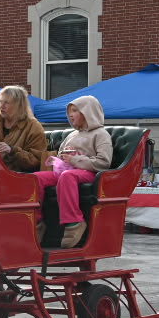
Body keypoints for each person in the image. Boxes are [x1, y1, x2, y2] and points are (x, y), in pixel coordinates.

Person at [32, 94, 111, 249]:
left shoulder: (101, 134)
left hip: (88, 173)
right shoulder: (72, 135)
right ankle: (37, 221)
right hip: (65, 171)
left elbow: (104, 162)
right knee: (35, 178)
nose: (70, 114)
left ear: (88, 112)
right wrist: (60, 159)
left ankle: (75, 222)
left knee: (68, 177)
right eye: (70, 111)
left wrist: (75, 160)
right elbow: (63, 156)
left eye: (75, 110)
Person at [0, 84, 48, 172]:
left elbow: (37, 160)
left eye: (7, 102)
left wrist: (12, 151)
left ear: (19, 105)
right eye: (1, 102)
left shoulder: (33, 127)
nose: (2, 106)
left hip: (18, 176)